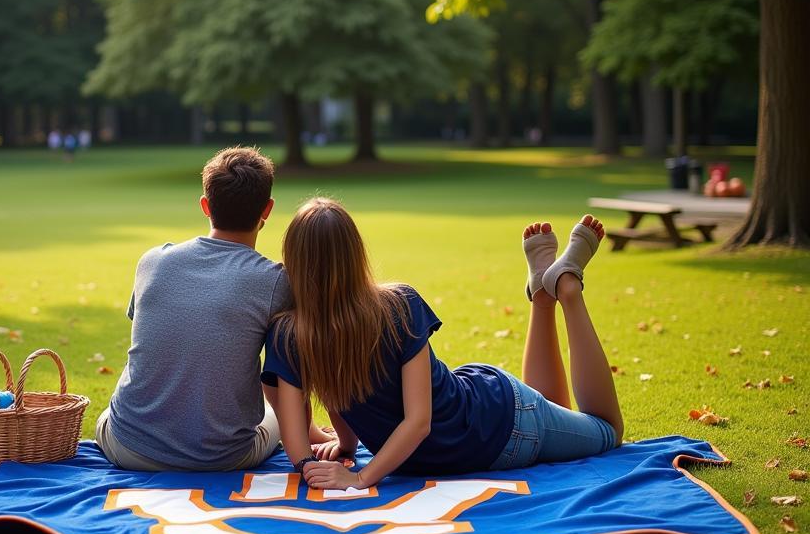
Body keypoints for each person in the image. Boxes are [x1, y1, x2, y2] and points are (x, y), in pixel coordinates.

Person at [262, 197, 623, 490]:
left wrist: (359, 477)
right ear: (356, 255)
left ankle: (568, 290)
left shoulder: (394, 307)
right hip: (495, 414)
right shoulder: (380, 309)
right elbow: (332, 398)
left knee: (608, 430)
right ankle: (543, 294)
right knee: (554, 407)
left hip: (501, 423)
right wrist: (343, 447)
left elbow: (419, 422)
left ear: (293, 261)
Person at [95, 147, 328, 472]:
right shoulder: (276, 282)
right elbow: (286, 372)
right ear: (267, 210)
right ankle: (314, 434)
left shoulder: (152, 261)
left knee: (111, 412)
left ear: (205, 205)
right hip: (219, 458)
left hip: (128, 448)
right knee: (271, 408)